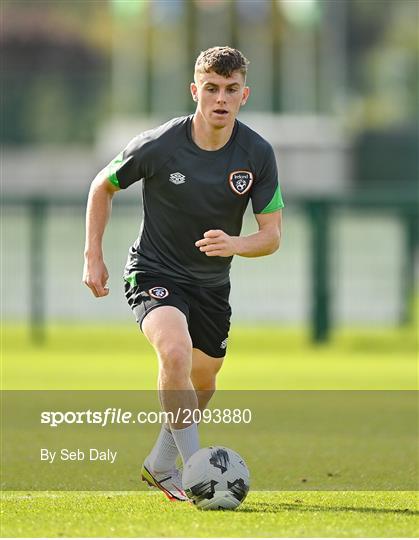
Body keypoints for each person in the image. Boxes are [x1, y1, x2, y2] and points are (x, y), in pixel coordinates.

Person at [83, 46, 284, 501]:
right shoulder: (161, 144)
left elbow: (271, 236)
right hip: (154, 270)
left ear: (244, 95)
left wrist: (234, 244)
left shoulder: (257, 152)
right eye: (211, 88)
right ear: (196, 90)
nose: (220, 98)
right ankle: (198, 474)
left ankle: (159, 463)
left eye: (231, 90)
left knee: (203, 381)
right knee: (173, 353)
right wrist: (92, 255)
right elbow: (103, 185)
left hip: (212, 285)